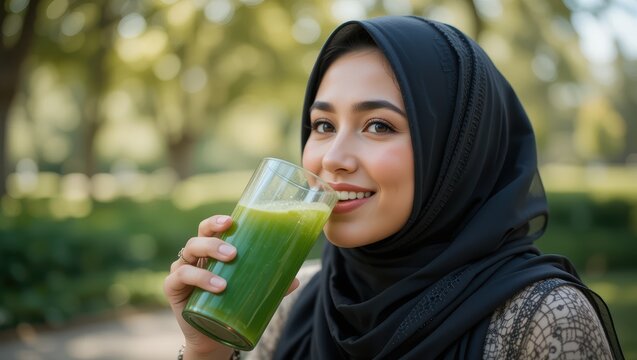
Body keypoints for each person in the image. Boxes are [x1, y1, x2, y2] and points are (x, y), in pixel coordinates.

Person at [163, 16, 624, 359]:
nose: (332, 158)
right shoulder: (295, 304)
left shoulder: (541, 322)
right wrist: (205, 351)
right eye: (322, 124)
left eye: (379, 125)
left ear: (455, 153)